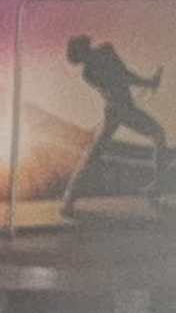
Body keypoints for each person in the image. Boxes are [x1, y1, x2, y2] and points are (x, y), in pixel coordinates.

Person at [62, 33, 170, 209]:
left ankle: (69, 198)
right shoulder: (90, 71)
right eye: (81, 56)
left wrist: (147, 83)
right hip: (119, 110)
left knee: (94, 154)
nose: (83, 58)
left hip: (118, 110)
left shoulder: (102, 55)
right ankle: (155, 189)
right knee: (157, 135)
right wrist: (149, 83)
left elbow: (124, 75)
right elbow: (122, 77)